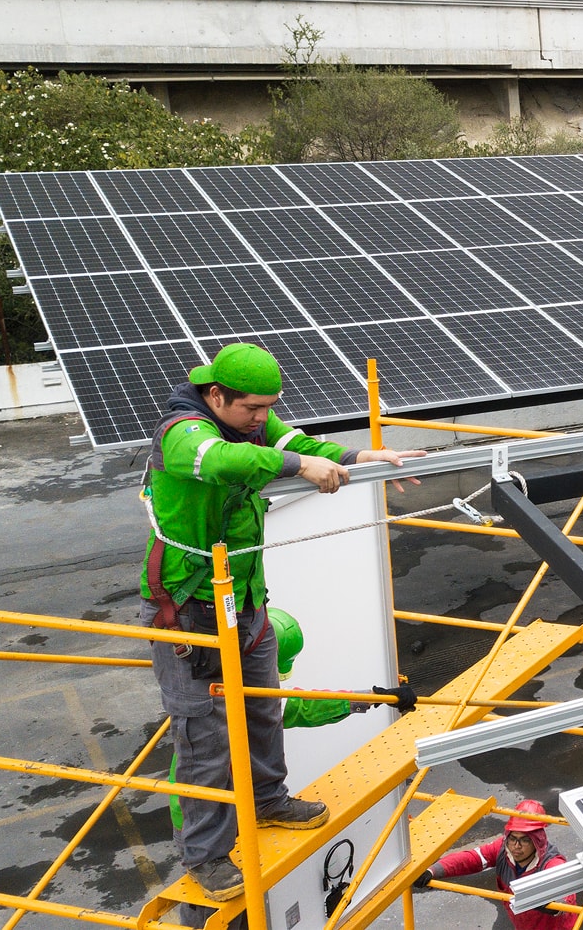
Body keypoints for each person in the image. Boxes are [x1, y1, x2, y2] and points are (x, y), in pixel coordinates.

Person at [140, 342, 424, 902]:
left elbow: (297, 444)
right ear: (216, 395)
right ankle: (206, 856)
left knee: (263, 708)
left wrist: (359, 457)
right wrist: (298, 466)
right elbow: (226, 462)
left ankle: (269, 799)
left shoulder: (250, 422)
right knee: (205, 738)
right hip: (189, 614)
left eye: (269, 407)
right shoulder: (182, 434)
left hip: (244, 601)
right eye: (253, 409)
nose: (263, 419)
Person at [174, 608, 418, 928]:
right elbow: (302, 707)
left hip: (231, 809)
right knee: (217, 909)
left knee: (249, 904)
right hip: (205, 818)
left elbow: (302, 704)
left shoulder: (238, 688)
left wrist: (372, 697)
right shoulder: (219, 699)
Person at [415, 800, 579, 930]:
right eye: (513, 838)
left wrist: (554, 904)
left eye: (525, 840)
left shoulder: (552, 863)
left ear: (538, 841)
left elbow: (565, 896)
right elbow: (472, 859)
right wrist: (433, 870)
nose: (516, 846)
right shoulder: (502, 849)